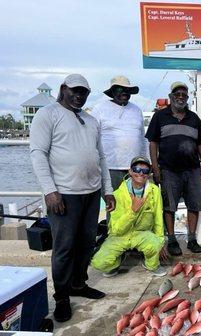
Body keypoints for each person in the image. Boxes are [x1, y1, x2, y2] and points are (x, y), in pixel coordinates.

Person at [30, 74, 115, 323]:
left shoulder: (90, 120)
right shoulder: (48, 114)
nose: (79, 95)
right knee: (64, 247)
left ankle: (79, 283)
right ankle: (62, 297)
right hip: (64, 194)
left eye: (84, 92)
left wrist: (107, 190)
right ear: (63, 89)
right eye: (75, 90)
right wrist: (49, 190)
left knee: (87, 242)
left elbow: (100, 158)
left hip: (91, 193)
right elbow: (38, 154)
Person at [145, 82, 201, 256]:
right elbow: (153, 143)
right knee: (169, 206)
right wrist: (155, 167)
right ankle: (171, 239)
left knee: (194, 204)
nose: (180, 97)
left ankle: (192, 239)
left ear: (187, 98)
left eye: (183, 94)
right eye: (177, 94)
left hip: (193, 169)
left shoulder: (194, 118)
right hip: (168, 169)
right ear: (171, 96)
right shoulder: (160, 116)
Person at [91, 156, 167, 277]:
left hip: (142, 234)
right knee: (99, 263)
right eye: (137, 169)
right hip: (120, 235)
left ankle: (150, 264)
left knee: (156, 243)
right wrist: (133, 212)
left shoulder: (154, 191)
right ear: (130, 171)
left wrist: (160, 243)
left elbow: (158, 218)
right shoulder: (116, 194)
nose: (141, 173)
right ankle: (117, 261)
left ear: (149, 173)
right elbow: (116, 229)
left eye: (145, 170)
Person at [91, 76, 149, 191]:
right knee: (114, 205)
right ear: (112, 91)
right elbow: (92, 138)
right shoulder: (99, 109)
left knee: (136, 205)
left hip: (136, 169)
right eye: (119, 89)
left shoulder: (137, 110)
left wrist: (147, 162)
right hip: (110, 168)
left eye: (127, 90)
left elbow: (143, 139)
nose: (124, 93)